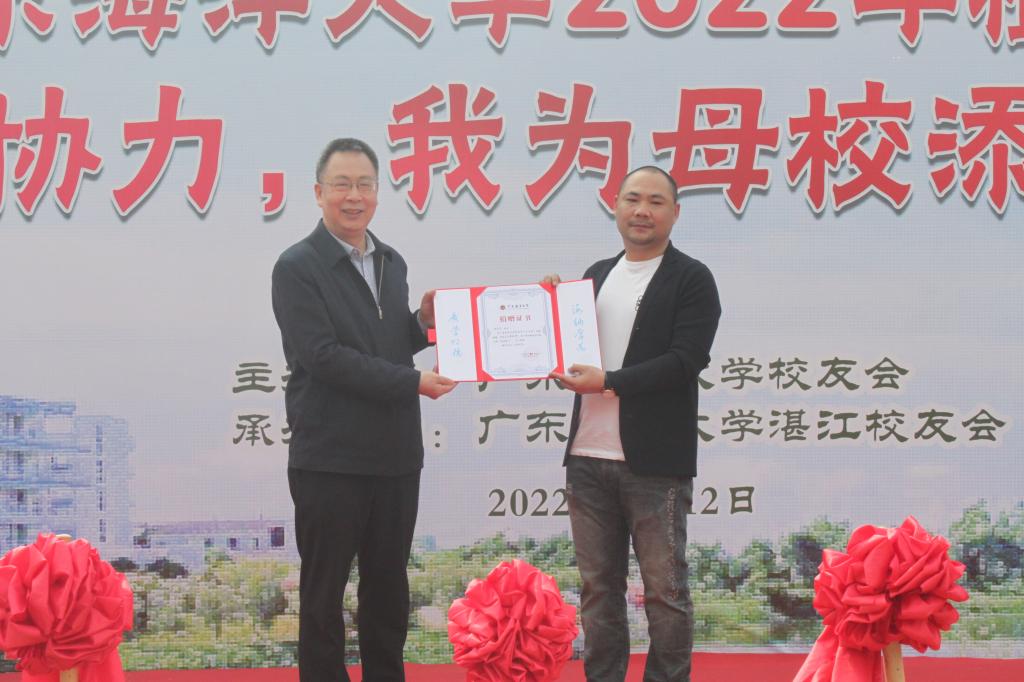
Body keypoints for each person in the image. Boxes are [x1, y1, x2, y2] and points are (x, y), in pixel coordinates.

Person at [271, 138, 455, 682]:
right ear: (318, 193)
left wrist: (421, 324)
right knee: (323, 593)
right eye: (342, 185)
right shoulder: (297, 266)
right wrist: (413, 382)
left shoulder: (392, 262)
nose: (354, 196)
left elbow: (386, 343)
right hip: (330, 457)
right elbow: (323, 357)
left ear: (377, 192)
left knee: (388, 587)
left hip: (395, 455)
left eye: (364, 185)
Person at [547, 166, 721, 682]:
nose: (642, 211)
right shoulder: (596, 275)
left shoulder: (692, 278)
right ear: (616, 205)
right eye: (632, 199)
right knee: (598, 590)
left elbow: (685, 360)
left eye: (655, 202)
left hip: (654, 464)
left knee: (665, 591)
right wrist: (547, 309)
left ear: (675, 212)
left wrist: (609, 381)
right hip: (587, 458)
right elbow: (568, 351)